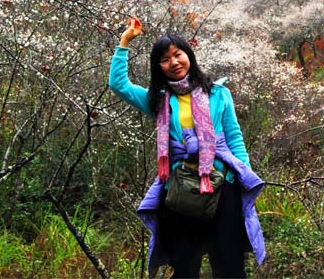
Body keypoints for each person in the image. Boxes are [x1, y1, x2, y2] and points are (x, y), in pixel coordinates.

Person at [108, 18, 265, 278]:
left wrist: (242, 175)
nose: (174, 62)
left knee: (229, 264)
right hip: (179, 189)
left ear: (188, 55)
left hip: (221, 185)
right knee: (184, 266)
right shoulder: (158, 100)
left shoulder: (218, 93)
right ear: (159, 67)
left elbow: (234, 138)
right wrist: (125, 41)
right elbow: (118, 84)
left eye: (178, 54)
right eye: (165, 59)